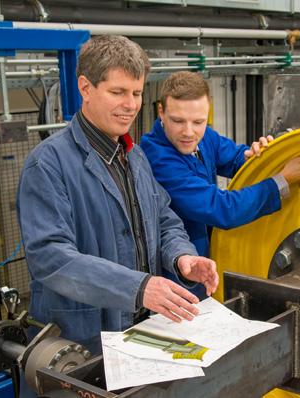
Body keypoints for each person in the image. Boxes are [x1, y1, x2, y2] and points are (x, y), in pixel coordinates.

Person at [17, 36, 219, 355]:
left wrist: (183, 257)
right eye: (118, 92)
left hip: (141, 329)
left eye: (137, 93)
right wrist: (137, 288)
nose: (130, 105)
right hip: (82, 339)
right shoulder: (48, 164)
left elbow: (164, 220)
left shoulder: (134, 157)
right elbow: (49, 256)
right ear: (85, 88)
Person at [141, 71, 300, 299]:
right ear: (161, 113)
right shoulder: (157, 157)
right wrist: (283, 179)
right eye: (178, 121)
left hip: (206, 263)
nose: (188, 132)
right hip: (179, 272)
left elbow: (236, 158)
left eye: (198, 121)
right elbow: (221, 209)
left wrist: (260, 156)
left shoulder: (204, 137)